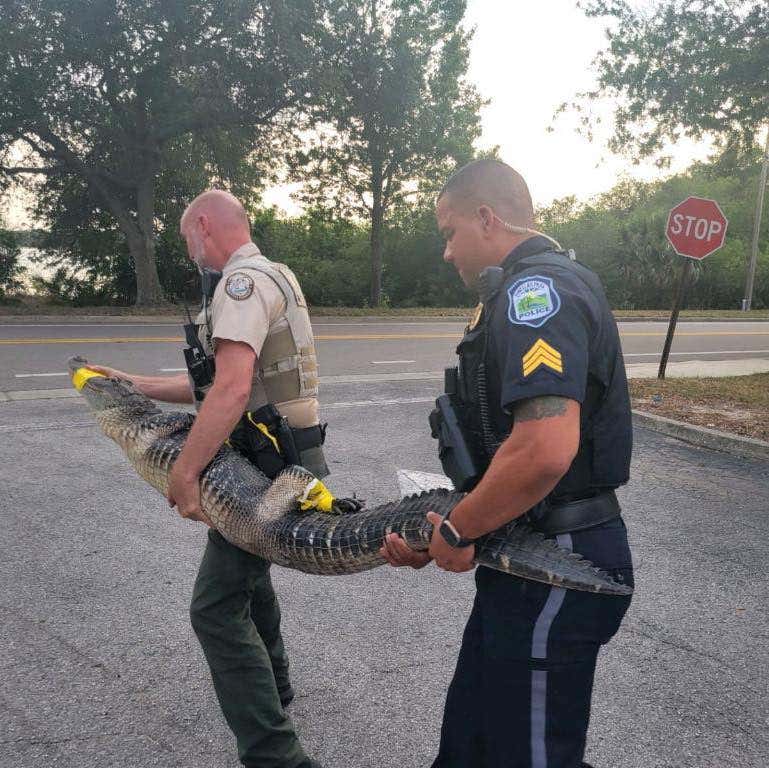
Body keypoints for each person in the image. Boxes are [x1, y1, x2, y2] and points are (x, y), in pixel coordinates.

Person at [380, 159, 634, 768]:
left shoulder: (536, 293)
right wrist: (449, 532)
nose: (446, 252)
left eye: (449, 232)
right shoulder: (519, 291)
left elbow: (545, 447)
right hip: (520, 551)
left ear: (487, 219)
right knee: (470, 746)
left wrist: (461, 530)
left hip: (557, 559)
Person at [88, 190, 324, 768]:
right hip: (281, 464)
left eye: (186, 237)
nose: (189, 250)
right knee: (246, 577)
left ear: (202, 224)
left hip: (268, 472)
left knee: (215, 609)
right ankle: (278, 692)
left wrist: (186, 472)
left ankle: (276, 756)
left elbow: (232, 388)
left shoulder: (239, 284)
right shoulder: (275, 275)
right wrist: (134, 383)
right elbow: (217, 379)